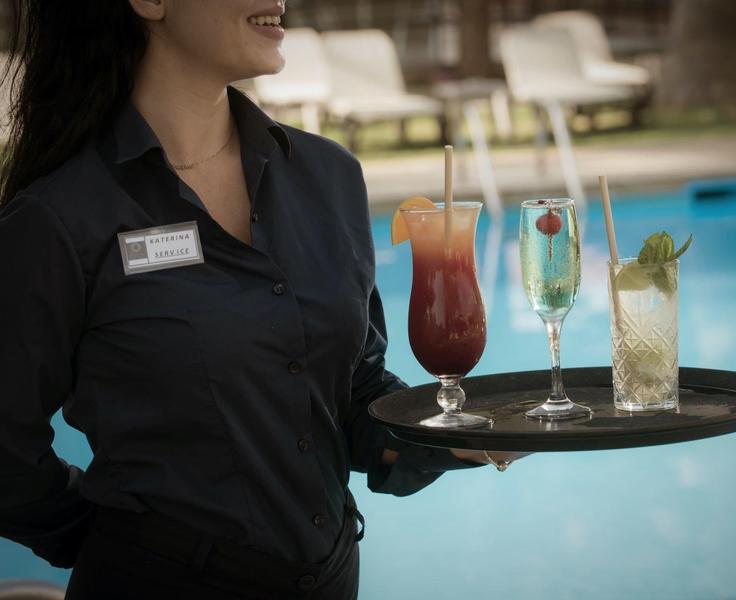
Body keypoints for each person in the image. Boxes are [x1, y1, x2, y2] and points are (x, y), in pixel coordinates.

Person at [0, 1, 524, 598]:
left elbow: (354, 396)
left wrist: (456, 432)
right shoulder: (61, 219)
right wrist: (115, 541)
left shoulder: (328, 177)